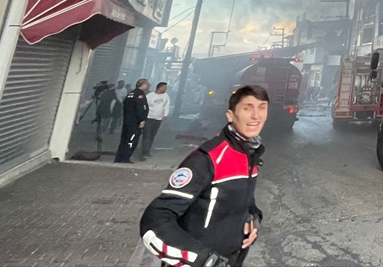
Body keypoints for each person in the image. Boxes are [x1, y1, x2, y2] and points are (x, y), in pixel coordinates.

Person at [140, 85, 268, 267]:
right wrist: (204, 260)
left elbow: (245, 202)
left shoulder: (250, 155)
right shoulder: (206, 159)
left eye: (262, 107)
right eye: (247, 108)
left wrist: (253, 220)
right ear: (230, 116)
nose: (256, 116)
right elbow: (155, 220)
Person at [115, 79, 150, 164]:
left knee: (124, 139)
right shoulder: (140, 95)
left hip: (127, 121)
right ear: (142, 84)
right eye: (147, 84)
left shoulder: (131, 94)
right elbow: (141, 108)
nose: (148, 86)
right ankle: (126, 158)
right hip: (135, 122)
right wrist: (142, 120)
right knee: (132, 139)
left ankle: (119, 158)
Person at [142, 82, 170, 161]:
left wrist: (165, 115)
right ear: (159, 87)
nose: (165, 89)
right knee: (147, 135)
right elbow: (144, 106)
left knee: (152, 135)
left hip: (158, 119)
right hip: (149, 118)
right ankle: (144, 151)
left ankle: (148, 150)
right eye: (164, 87)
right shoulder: (150, 96)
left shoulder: (166, 96)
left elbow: (166, 106)